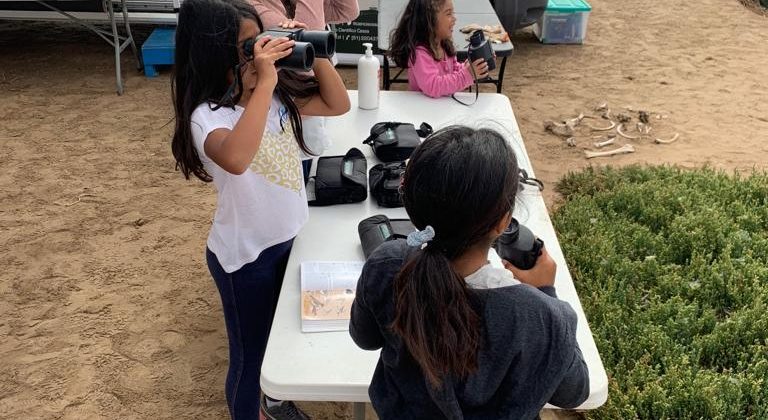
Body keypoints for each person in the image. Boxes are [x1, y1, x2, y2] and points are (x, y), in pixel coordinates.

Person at [171, 0, 350, 418]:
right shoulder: (207, 116)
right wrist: (265, 85)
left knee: (278, 341)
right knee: (251, 357)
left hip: (287, 242)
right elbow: (235, 158)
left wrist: (312, 47)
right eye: (246, 47)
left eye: (258, 43)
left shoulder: (275, 95)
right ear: (214, 54)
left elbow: (337, 103)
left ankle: (273, 402)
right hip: (245, 259)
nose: (259, 54)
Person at [349, 126, 590, 419]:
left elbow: (365, 339)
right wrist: (546, 293)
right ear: (502, 223)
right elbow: (573, 392)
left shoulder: (386, 264)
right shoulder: (540, 316)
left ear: (411, 208)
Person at [251, 0, 360, 182]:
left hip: (309, 104)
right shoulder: (255, 6)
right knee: (291, 184)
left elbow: (347, 11)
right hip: (287, 116)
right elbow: (304, 51)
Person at [389, 0, 490, 98]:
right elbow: (433, 86)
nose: (454, 19)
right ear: (429, 19)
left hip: (442, 109)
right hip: (423, 110)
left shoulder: (444, 46)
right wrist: (467, 75)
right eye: (448, 13)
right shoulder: (420, 53)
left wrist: (471, 67)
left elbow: (454, 72)